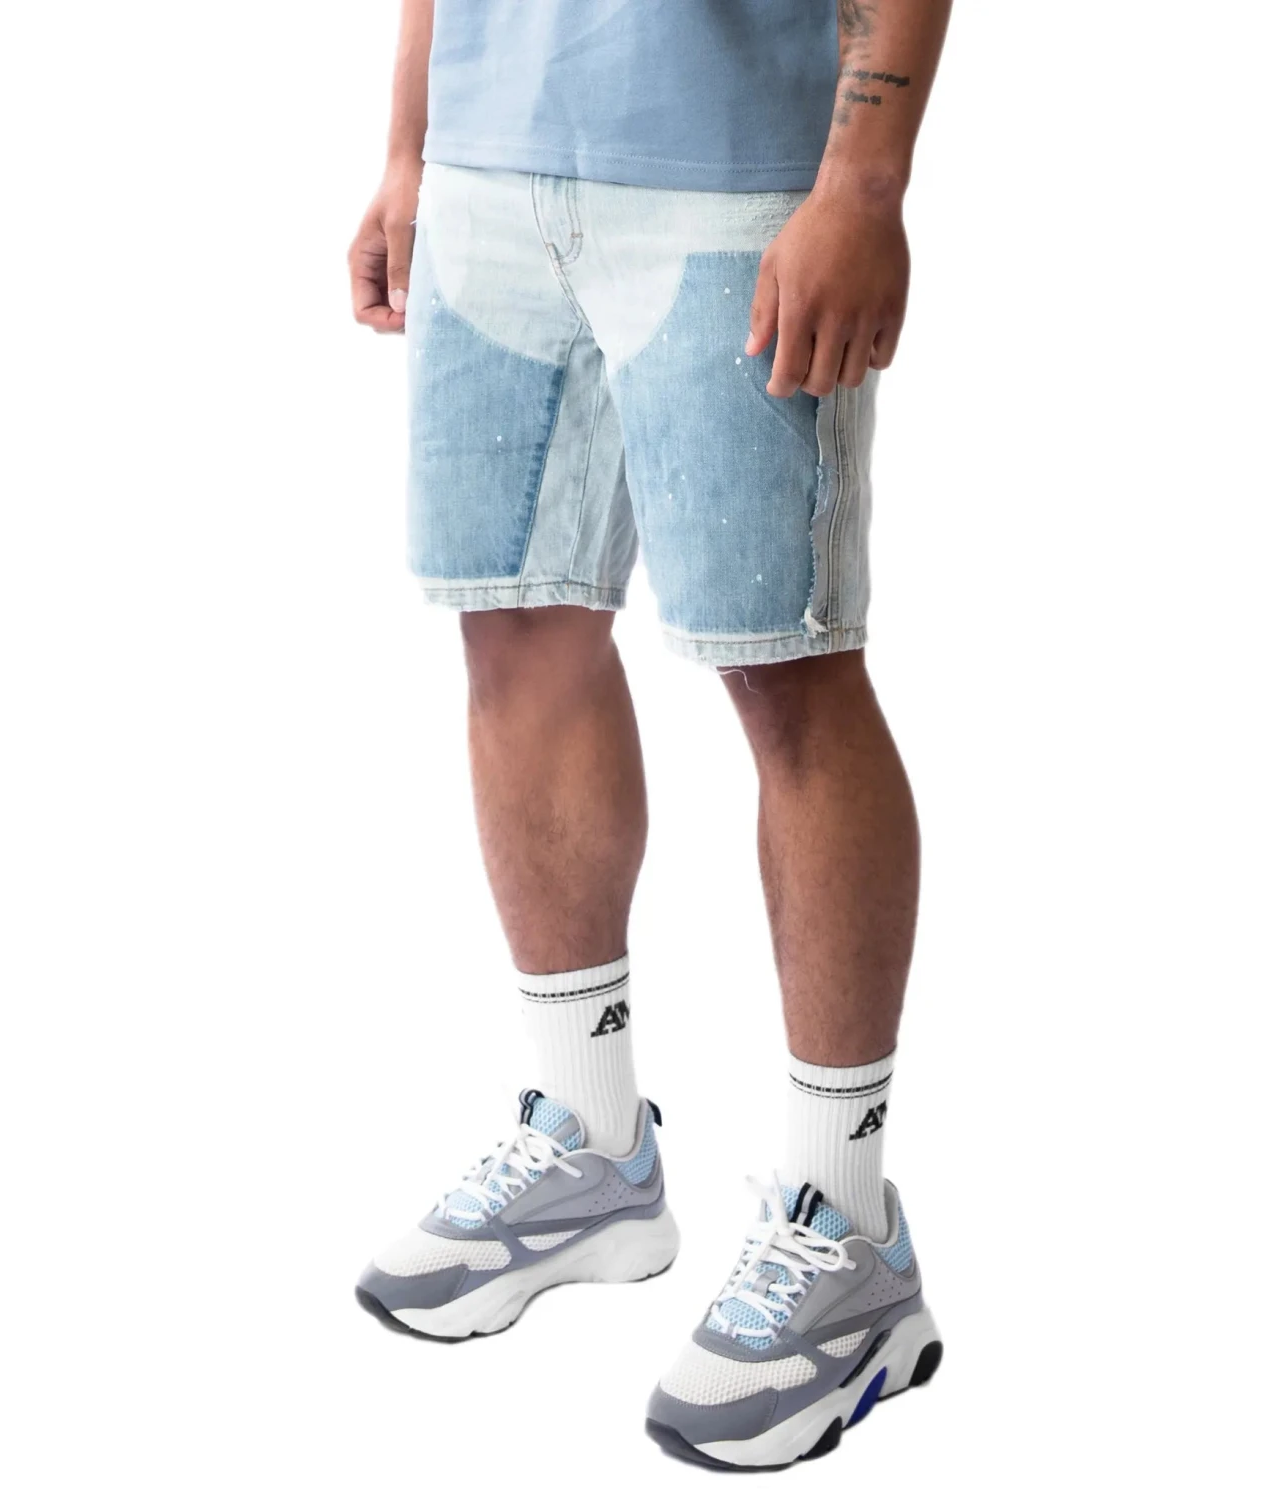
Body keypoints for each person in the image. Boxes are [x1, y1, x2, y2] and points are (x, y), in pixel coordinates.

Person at [347, 0, 952, 1469]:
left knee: (786, 668)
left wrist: (864, 184)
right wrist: (411, 143)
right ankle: (590, 1144)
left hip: (736, 176)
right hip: (489, 168)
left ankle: (847, 1228)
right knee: (516, 630)